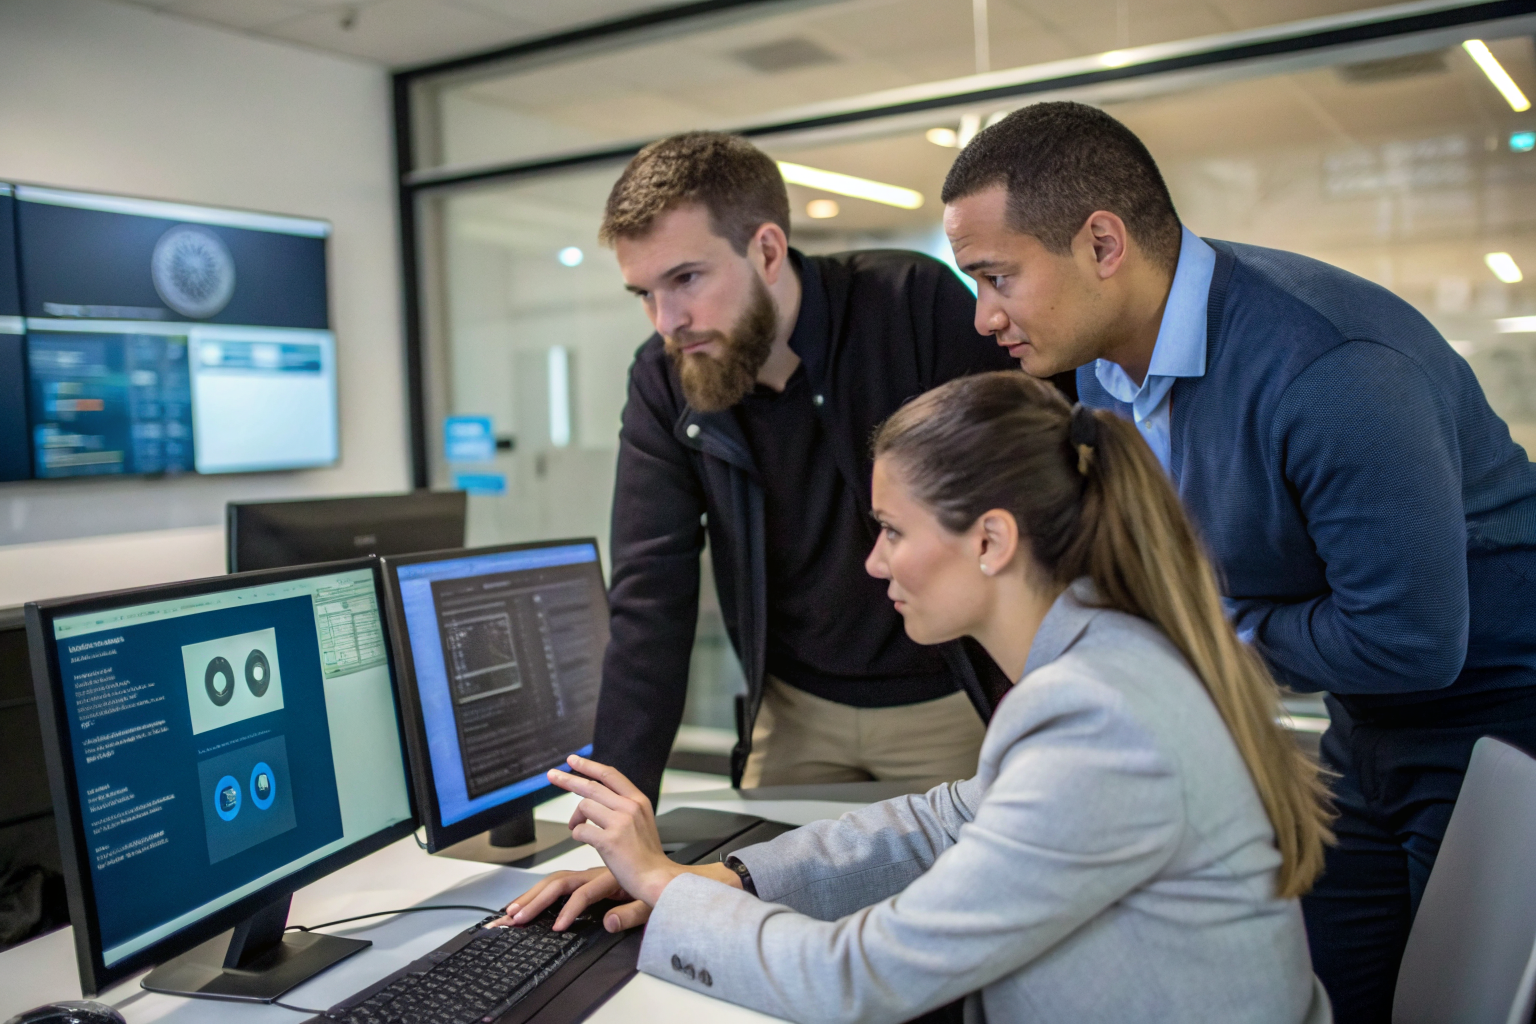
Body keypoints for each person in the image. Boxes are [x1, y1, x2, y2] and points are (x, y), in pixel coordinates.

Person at [938, 100, 1536, 1022]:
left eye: (997, 277)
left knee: (1453, 1001)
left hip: (1497, 718)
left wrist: (1208, 636)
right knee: (1332, 985)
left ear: (1103, 243)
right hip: (1359, 719)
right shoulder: (1102, 369)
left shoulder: (1331, 369)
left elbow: (1413, 640)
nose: (983, 316)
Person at [495, 372, 1333, 1024]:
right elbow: (942, 822)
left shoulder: (1100, 717)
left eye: (893, 530)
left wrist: (662, 886)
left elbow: (859, 978)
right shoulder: (1100, 657)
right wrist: (724, 878)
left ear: (991, 541)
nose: (873, 563)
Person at [592, 131, 1026, 803]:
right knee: (761, 882)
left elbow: (1031, 504)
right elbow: (650, 594)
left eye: (685, 279)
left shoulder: (912, 305)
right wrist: (616, 821)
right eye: (643, 293)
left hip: (947, 698)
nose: (667, 321)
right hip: (794, 712)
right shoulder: (663, 378)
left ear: (766, 249)